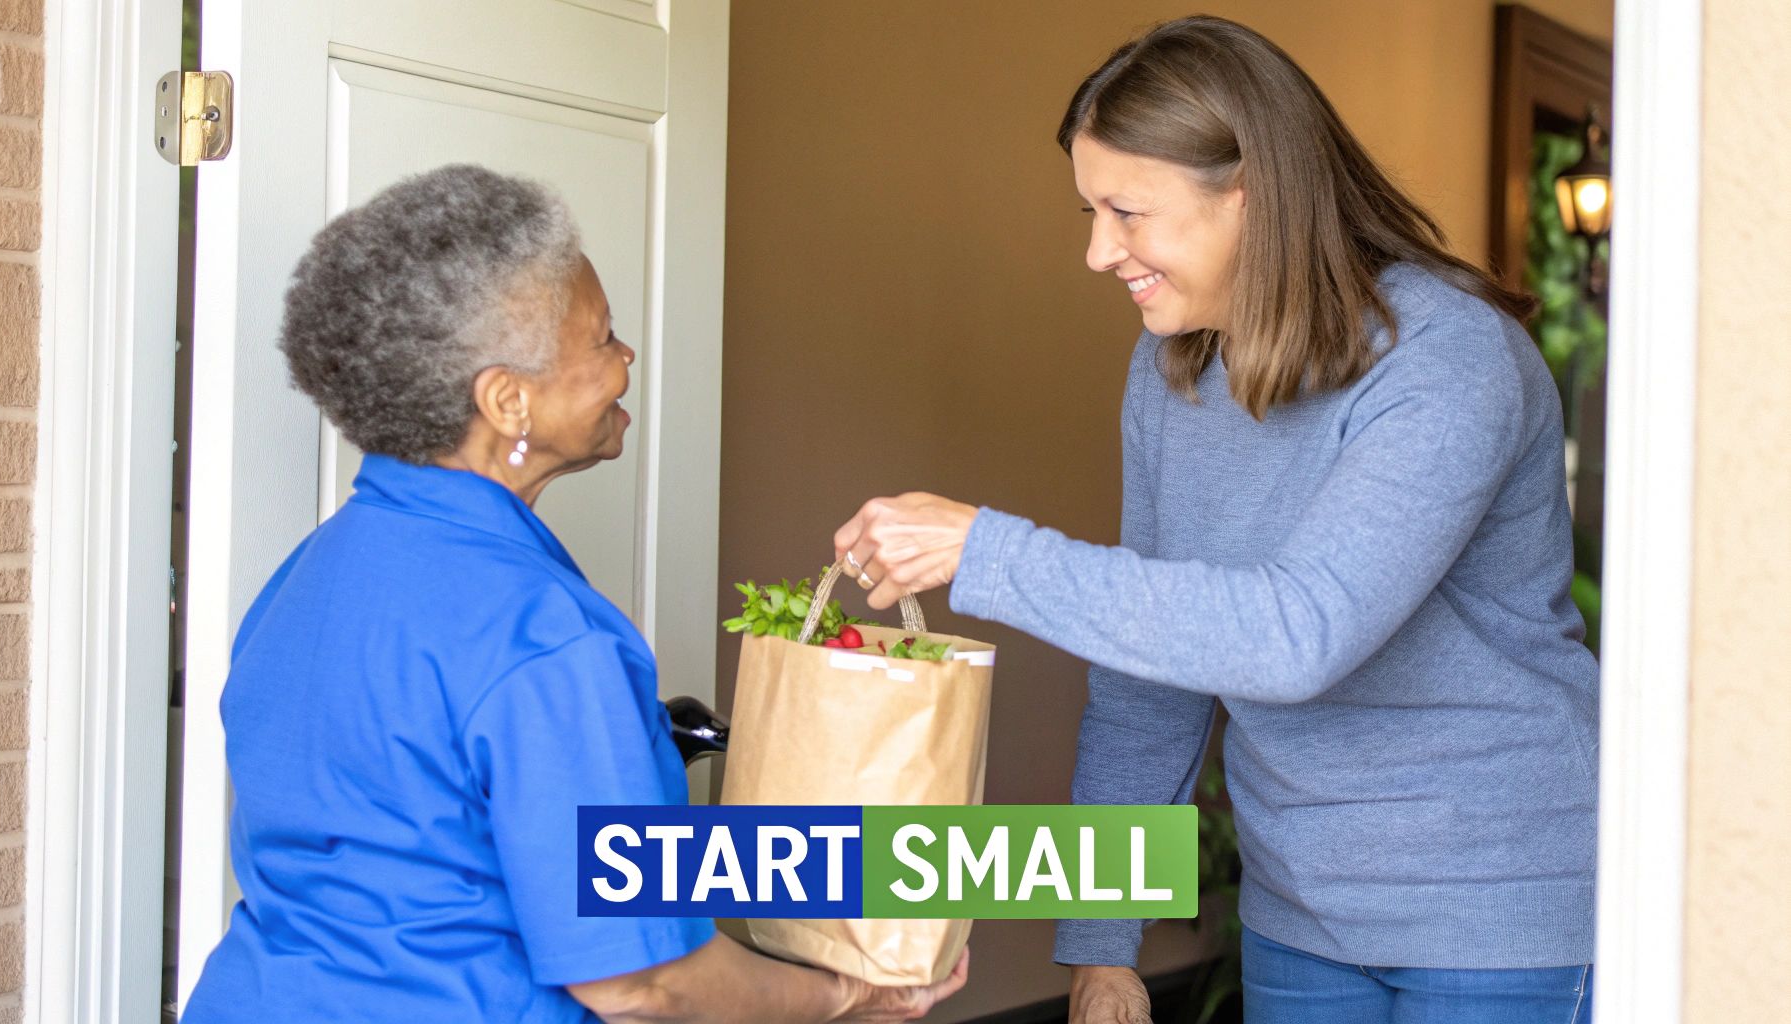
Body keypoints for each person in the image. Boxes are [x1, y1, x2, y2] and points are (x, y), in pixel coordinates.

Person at [832, 17, 1597, 1024]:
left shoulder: (1446, 362)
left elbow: (1299, 633)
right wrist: (1101, 942)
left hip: (1490, 910)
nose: (1098, 250)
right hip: (1296, 910)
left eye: (1126, 211)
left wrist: (987, 550)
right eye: (1088, 209)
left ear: (1249, 194)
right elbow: (1149, 676)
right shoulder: (1173, 368)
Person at [183, 164, 965, 1023]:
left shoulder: (303, 582)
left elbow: (434, 850)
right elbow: (638, 982)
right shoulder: (544, 637)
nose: (626, 358)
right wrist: (846, 996)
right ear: (506, 401)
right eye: (603, 339)